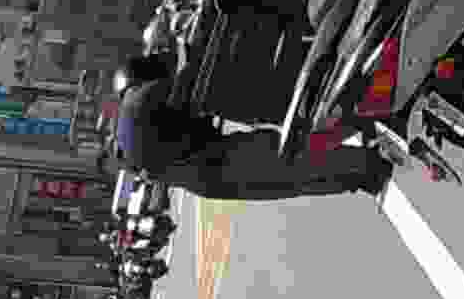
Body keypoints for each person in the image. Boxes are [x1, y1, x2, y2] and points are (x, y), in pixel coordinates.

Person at [107, 50, 389, 201]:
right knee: (291, 156)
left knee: (289, 184)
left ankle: (360, 177)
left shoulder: (128, 133)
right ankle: (367, 162)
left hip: (206, 181)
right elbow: (188, 80)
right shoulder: (139, 99)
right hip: (218, 161)